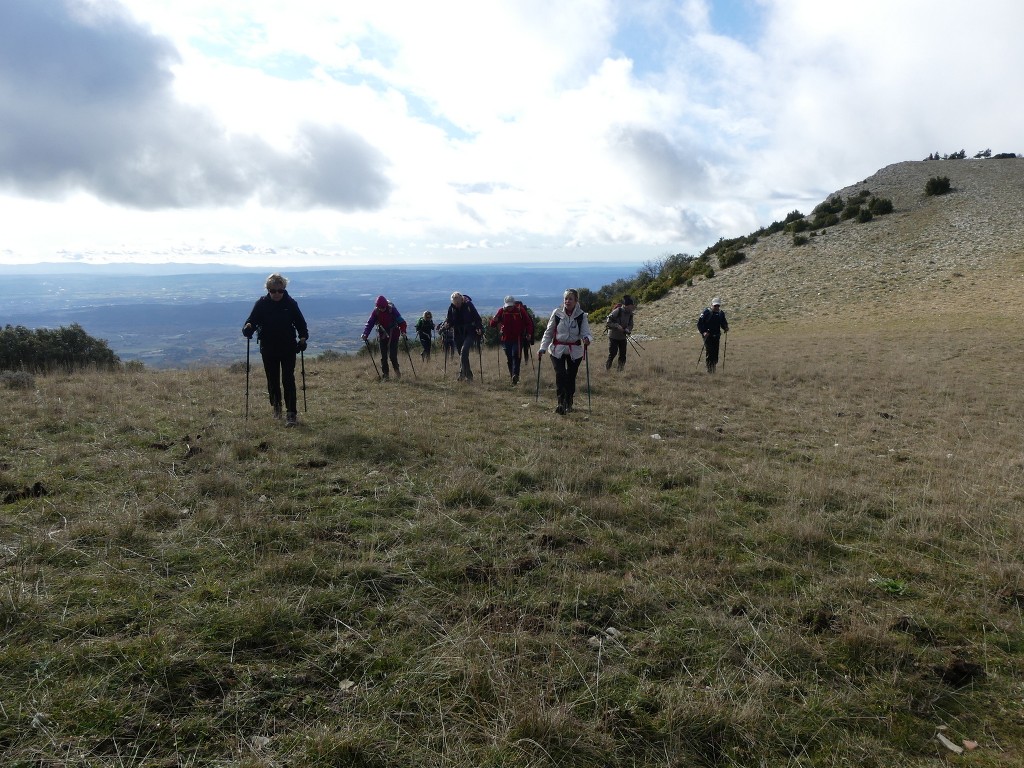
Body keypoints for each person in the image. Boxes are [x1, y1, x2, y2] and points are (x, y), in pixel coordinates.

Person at [241, 273, 309, 426]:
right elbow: (251, 321)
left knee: (287, 379)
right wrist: (248, 328)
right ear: (268, 290)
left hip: (288, 347)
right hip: (268, 347)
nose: (277, 293)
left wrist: (303, 339)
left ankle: (291, 413)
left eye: (280, 290)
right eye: (273, 290)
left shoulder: (291, 304)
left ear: (284, 289)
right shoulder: (261, 304)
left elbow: (301, 324)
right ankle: (277, 407)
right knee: (272, 380)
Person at [539, 289, 592, 414]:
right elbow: (549, 331)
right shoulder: (556, 313)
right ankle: (560, 403)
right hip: (557, 350)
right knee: (561, 374)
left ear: (576, 301)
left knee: (571, 377)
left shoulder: (581, 315)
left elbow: (586, 333)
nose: (567, 301)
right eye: (566, 299)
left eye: (570, 299)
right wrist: (542, 347)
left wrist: (587, 339)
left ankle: (569, 402)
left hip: (575, 351)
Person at [361, 295, 407, 380]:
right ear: (377, 306)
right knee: (384, 357)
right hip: (382, 336)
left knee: (393, 356)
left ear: (386, 305)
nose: (382, 308)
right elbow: (370, 323)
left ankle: (398, 374)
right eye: (380, 307)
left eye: (383, 307)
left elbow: (401, 321)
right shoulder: (376, 312)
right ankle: (386, 376)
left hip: (394, 335)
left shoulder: (392, 310)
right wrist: (365, 334)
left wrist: (403, 331)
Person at [489, 295, 530, 384]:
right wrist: (494, 320)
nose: (510, 307)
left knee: (516, 355)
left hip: (518, 337)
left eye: (511, 305)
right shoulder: (501, 311)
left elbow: (528, 322)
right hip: (506, 338)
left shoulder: (520, 310)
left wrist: (529, 333)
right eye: (508, 306)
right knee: (509, 357)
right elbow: (492, 324)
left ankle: (516, 375)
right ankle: (513, 376)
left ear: (514, 304)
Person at [445, 292, 483, 381]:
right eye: (455, 303)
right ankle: (465, 375)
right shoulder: (451, 308)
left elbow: (477, 318)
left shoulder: (468, 305)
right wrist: (448, 325)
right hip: (457, 334)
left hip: (470, 332)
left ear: (461, 300)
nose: (457, 304)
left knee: (464, 351)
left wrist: (478, 327)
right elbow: (450, 320)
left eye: (458, 302)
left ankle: (465, 375)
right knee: (462, 355)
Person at [697, 297, 729, 373]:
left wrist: (725, 327)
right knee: (710, 352)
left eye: (718, 305)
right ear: (711, 305)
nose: (717, 307)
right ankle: (710, 370)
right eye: (715, 306)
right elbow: (699, 324)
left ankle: (713, 368)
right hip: (708, 336)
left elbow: (723, 322)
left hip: (716, 336)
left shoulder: (721, 313)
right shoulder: (706, 312)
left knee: (715, 354)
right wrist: (703, 332)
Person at [605, 295, 636, 371]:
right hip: (613, 336)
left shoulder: (630, 314)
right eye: (632, 306)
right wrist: (617, 326)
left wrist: (628, 329)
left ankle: (620, 371)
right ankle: (607, 369)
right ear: (628, 305)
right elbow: (608, 322)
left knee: (623, 355)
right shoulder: (618, 311)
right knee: (613, 353)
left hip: (623, 337)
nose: (633, 307)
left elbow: (631, 325)